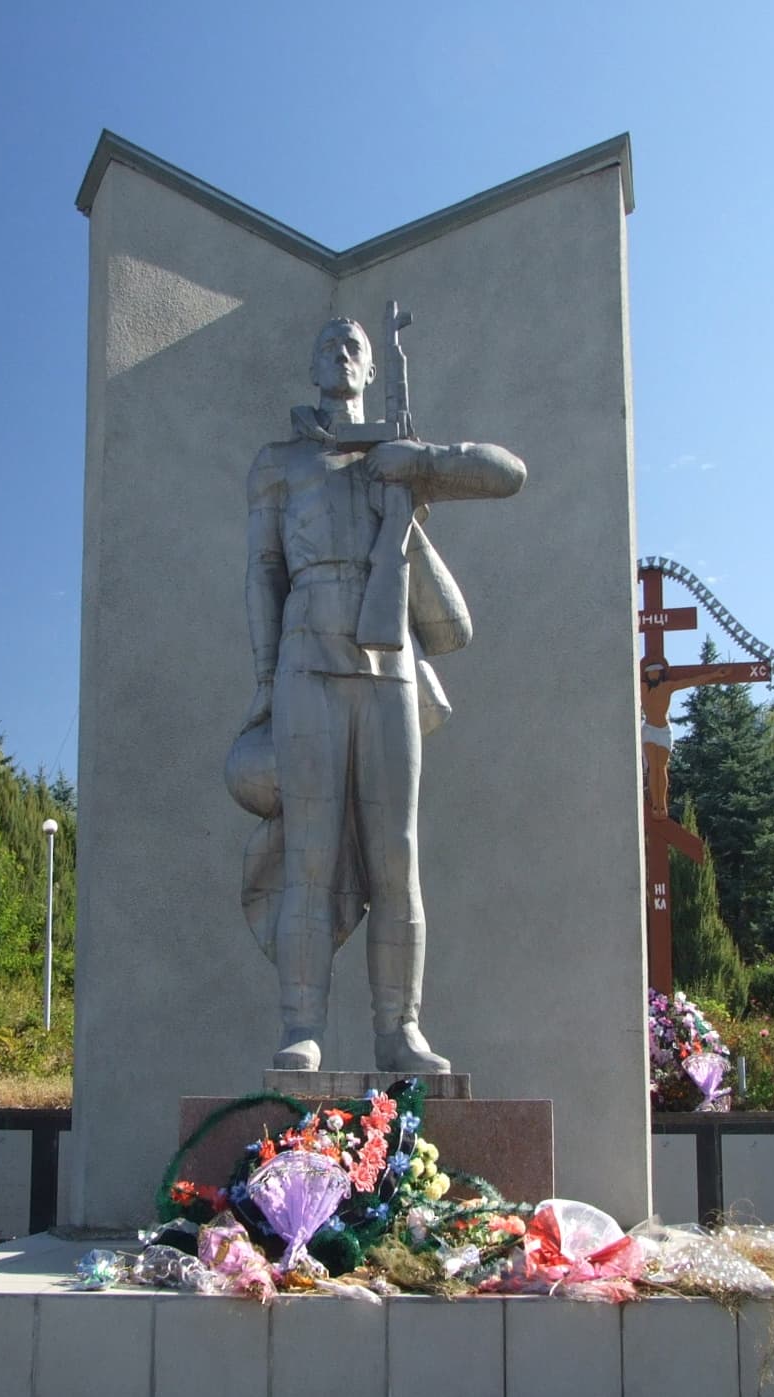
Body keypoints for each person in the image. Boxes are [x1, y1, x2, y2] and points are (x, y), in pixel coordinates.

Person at [237, 316, 526, 1073]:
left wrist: (420, 459)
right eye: (329, 344)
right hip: (306, 662)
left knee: (397, 857)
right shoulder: (277, 462)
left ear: (369, 370)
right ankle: (300, 1028)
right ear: (310, 365)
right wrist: (264, 684)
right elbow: (262, 575)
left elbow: (507, 473)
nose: (341, 353)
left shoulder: (396, 456)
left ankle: (399, 1031)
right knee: (311, 856)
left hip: (387, 662)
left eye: (354, 346)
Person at [641, 657, 679, 815]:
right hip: (649, 729)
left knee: (661, 767)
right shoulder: (642, 687)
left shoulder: (667, 686)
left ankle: (662, 804)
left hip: (663, 730)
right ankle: (655, 805)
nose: (653, 675)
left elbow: (692, 680)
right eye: (650, 672)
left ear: (661, 673)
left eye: (656, 672)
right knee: (652, 767)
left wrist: (716, 674)